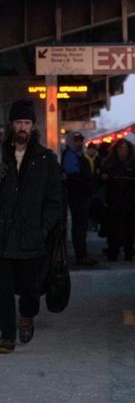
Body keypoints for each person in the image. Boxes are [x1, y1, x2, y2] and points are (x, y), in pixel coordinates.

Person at [0, 99, 64, 354]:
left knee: (30, 288)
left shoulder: (46, 159)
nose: (23, 127)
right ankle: (6, 336)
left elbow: (54, 199)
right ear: (11, 125)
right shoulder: (1, 156)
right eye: (19, 122)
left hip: (31, 237)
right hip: (3, 236)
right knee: (2, 288)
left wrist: (43, 229)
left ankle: (27, 316)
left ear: (33, 126)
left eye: (27, 122)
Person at [101, 139, 135, 261]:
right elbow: (100, 180)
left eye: (125, 149)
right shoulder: (109, 164)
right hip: (113, 201)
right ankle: (113, 252)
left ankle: (128, 252)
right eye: (120, 149)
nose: (123, 152)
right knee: (113, 229)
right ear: (116, 150)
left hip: (129, 202)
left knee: (129, 229)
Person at [62, 131, 97, 266]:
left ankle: (82, 254)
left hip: (82, 195)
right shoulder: (70, 156)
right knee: (79, 226)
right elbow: (73, 178)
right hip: (77, 196)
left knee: (81, 226)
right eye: (76, 140)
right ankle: (81, 255)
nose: (79, 143)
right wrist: (88, 186)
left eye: (80, 140)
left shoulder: (77, 155)